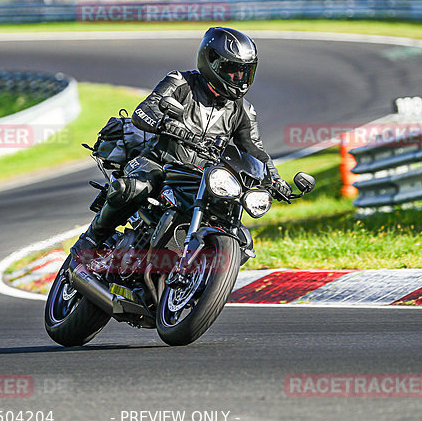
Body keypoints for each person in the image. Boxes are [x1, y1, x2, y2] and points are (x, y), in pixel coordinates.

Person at [70, 26, 291, 262]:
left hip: (202, 178)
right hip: (159, 162)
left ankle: (195, 281)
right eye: (232, 70)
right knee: (133, 188)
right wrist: (168, 125)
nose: (239, 78)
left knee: (242, 242)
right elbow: (145, 109)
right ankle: (92, 239)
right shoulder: (180, 82)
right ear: (211, 63)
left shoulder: (243, 110)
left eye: (244, 72)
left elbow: (255, 150)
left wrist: (275, 180)